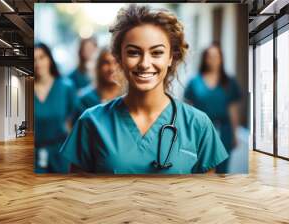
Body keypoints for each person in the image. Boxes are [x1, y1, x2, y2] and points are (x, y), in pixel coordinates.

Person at [60, 4, 228, 174]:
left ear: (171, 57)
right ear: (119, 57)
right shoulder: (91, 122)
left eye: (157, 53)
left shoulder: (198, 124)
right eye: (133, 52)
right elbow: (77, 194)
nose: (145, 64)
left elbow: (206, 195)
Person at [184, 43, 241, 173]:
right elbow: (188, 109)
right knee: (201, 168)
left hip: (224, 131)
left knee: (222, 169)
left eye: (216, 56)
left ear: (221, 59)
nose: (213, 60)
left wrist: (234, 134)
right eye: (209, 56)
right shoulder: (194, 81)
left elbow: (232, 109)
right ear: (204, 59)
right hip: (201, 131)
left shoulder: (229, 81)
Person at [34, 43, 80, 173]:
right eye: (34, 59)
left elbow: (77, 121)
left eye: (42, 57)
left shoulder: (66, 87)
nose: (38, 63)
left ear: (49, 59)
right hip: (34, 154)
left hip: (60, 154)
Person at [78, 48, 124, 114]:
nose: (112, 68)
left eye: (116, 62)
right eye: (106, 63)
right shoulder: (86, 98)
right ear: (98, 66)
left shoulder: (129, 95)